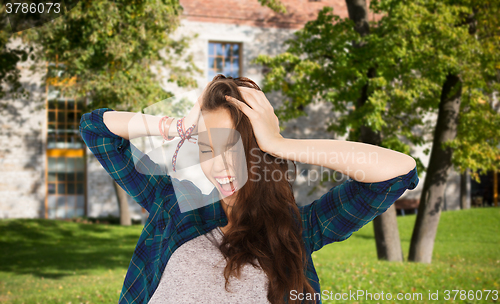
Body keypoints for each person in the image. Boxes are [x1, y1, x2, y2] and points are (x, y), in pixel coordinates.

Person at [79, 75, 419, 304]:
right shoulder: (173, 205)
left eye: (235, 150)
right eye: (208, 149)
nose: (221, 166)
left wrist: (279, 143)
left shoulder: (296, 230)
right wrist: (179, 125)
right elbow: (96, 129)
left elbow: (395, 173)